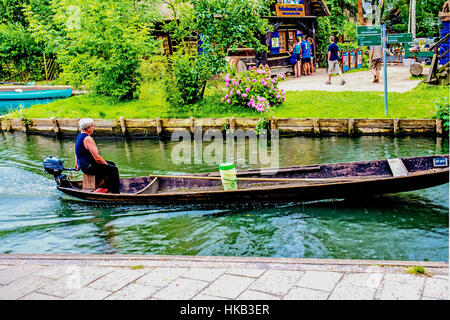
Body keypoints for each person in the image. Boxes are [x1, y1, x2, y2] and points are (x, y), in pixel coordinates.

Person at [75, 118, 120, 194]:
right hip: (89, 167)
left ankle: (105, 187)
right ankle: (115, 193)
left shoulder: (80, 135)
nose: (94, 128)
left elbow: (76, 152)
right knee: (113, 170)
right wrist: (107, 165)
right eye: (92, 126)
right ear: (88, 128)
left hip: (84, 165)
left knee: (112, 164)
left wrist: (77, 164)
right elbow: (97, 158)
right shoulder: (88, 138)